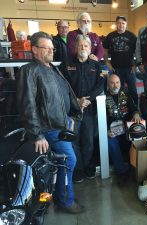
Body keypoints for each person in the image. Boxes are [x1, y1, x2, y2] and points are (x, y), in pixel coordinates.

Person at [16, 31, 84, 213]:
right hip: (47, 130)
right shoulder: (29, 70)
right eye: (47, 48)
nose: (51, 51)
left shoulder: (52, 68)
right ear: (35, 50)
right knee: (69, 160)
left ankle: (55, 199)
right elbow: (27, 104)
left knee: (56, 166)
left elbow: (59, 99)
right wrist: (36, 135)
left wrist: (68, 117)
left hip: (59, 126)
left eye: (52, 48)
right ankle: (65, 201)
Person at [60, 35, 106, 183]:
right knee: (74, 141)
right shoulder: (66, 64)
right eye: (80, 46)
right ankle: (78, 169)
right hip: (72, 111)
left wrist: (87, 100)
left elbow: (100, 85)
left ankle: (87, 166)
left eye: (86, 46)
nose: (83, 48)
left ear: (90, 48)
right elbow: (62, 86)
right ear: (75, 47)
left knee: (89, 141)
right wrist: (76, 101)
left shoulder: (95, 65)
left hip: (89, 111)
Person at [106, 74, 141, 185]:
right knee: (110, 142)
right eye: (112, 82)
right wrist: (106, 130)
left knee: (138, 136)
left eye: (117, 82)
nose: (115, 85)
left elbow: (134, 108)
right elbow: (100, 117)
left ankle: (136, 168)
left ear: (120, 83)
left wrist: (136, 114)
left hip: (127, 127)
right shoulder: (103, 97)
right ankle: (122, 172)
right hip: (112, 130)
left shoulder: (126, 94)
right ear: (108, 84)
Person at [103, 16, 138, 104]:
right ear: (116, 24)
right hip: (116, 68)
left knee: (132, 89)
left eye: (123, 23)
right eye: (119, 23)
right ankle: (121, 109)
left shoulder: (132, 36)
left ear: (126, 25)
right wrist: (107, 62)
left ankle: (135, 109)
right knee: (118, 90)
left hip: (129, 68)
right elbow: (105, 50)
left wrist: (135, 65)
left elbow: (137, 51)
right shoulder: (110, 36)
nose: (121, 25)